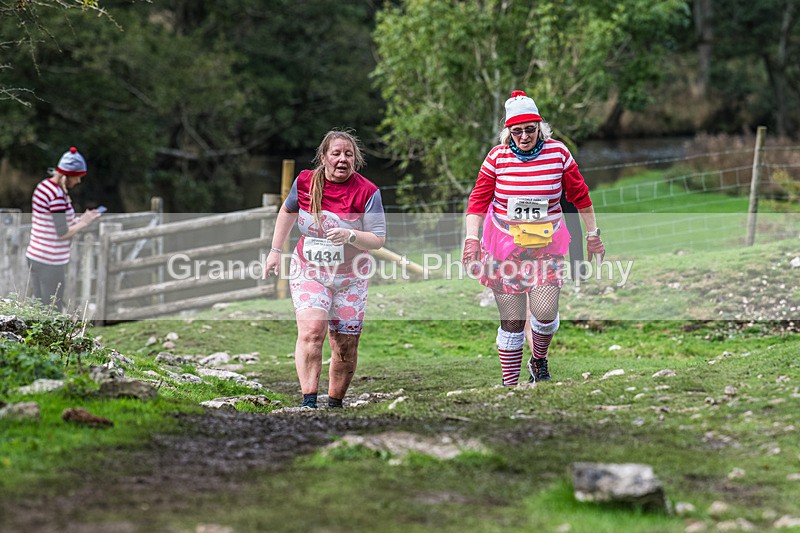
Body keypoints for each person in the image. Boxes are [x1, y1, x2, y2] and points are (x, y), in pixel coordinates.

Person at [462, 90, 605, 386]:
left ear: (540, 127)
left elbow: (580, 196)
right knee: (512, 321)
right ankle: (510, 385)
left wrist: (593, 235)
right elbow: (477, 201)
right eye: (517, 131)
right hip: (504, 247)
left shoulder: (558, 153)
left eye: (530, 129)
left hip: (546, 245)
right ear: (508, 131)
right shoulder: (497, 158)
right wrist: (471, 241)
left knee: (544, 312)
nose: (524, 136)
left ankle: (538, 358)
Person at [263, 130, 386, 409]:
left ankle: (334, 404)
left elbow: (378, 239)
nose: (343, 159)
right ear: (324, 157)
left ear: (355, 159)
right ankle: (309, 401)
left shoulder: (368, 192)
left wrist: (351, 235)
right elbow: (287, 212)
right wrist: (274, 252)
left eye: (348, 154)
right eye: (336, 153)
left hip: (351, 276)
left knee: (344, 344)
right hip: (309, 270)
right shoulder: (305, 182)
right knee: (311, 331)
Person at [25, 146, 102, 310]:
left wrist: (80, 219)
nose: (79, 181)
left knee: (38, 306)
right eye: (77, 177)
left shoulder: (43, 187)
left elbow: (54, 224)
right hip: (50, 261)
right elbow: (62, 233)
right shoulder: (57, 196)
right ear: (66, 175)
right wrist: (85, 222)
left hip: (35, 254)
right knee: (52, 308)